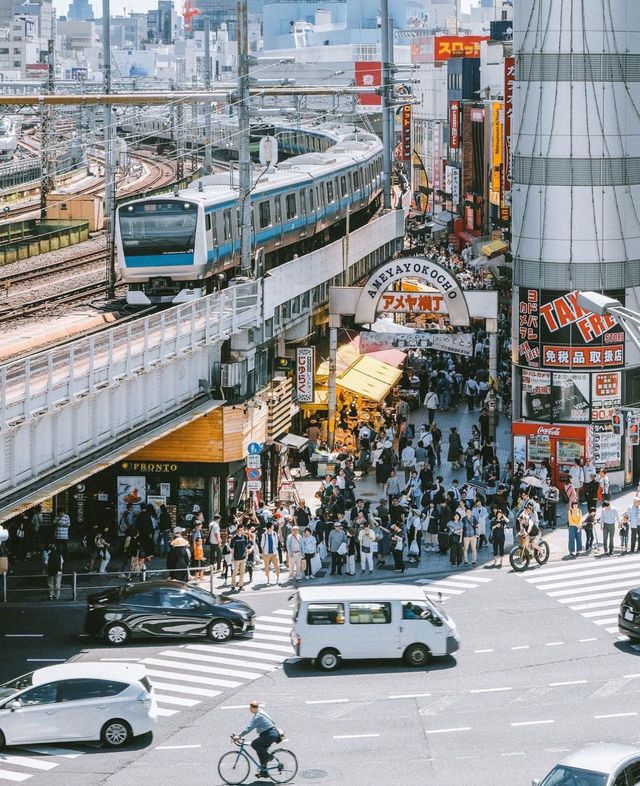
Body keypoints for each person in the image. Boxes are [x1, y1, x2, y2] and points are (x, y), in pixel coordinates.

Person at [233, 701, 280, 780]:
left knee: (254, 744)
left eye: (250, 708)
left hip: (269, 734)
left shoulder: (258, 716)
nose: (249, 709)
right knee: (260, 751)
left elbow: (249, 727)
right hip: (270, 733)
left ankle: (269, 757)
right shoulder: (261, 711)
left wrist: (239, 736)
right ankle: (264, 772)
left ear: (253, 708)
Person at [230, 525, 249, 591]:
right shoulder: (234, 538)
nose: (241, 531)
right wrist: (232, 557)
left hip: (243, 557)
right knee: (234, 573)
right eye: (240, 530)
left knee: (242, 572)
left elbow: (246, 547)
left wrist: (247, 555)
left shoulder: (245, 537)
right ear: (237, 530)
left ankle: (241, 585)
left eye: (242, 530)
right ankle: (233, 586)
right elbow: (232, 549)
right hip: (236, 558)